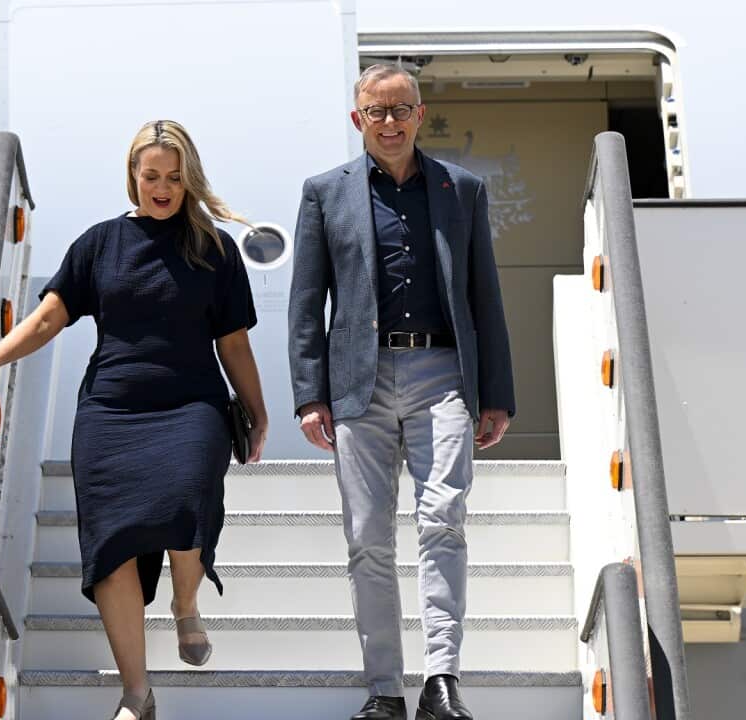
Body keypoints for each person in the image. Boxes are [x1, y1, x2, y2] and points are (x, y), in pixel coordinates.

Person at [0, 119, 268, 720]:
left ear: (189, 179)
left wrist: (256, 407)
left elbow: (235, 343)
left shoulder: (215, 249)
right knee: (113, 547)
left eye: (175, 178)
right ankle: (137, 694)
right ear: (133, 177)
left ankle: (184, 604)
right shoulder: (100, 244)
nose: (163, 188)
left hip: (192, 407)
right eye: (152, 176)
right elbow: (47, 319)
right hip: (111, 411)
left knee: (187, 506)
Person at [288, 64, 516, 720]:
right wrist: (310, 393)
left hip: (442, 374)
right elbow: (307, 303)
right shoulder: (324, 193)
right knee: (368, 535)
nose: (389, 123)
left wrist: (494, 392)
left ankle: (441, 682)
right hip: (359, 381)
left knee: (443, 518)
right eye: (375, 112)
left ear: (420, 114)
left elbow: (485, 295)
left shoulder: (461, 189)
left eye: (400, 110)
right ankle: (384, 690)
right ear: (357, 119)